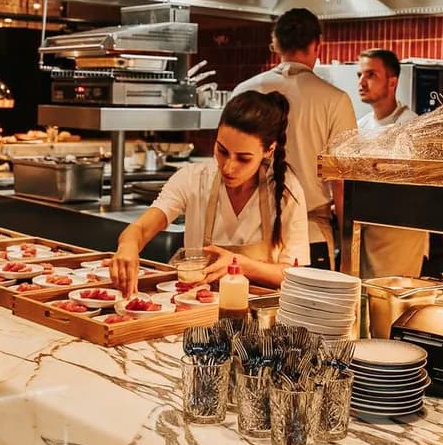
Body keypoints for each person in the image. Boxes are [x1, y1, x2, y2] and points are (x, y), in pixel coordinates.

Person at [111, 90, 310, 297]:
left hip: (261, 311)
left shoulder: (286, 190)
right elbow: (142, 228)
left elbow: (295, 275)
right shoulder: (192, 178)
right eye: (222, 151)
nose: (229, 167)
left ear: (269, 150)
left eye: (243, 158)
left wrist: (240, 264)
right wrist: (128, 246)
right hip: (195, 305)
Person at [232, 8, 356, 269]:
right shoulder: (336, 100)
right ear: (317, 44)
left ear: (275, 43)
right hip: (310, 238)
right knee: (310, 310)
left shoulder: (243, 91)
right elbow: (342, 183)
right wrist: (348, 249)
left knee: (253, 309)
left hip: (249, 237)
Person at [356, 49, 429, 278]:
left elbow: (416, 189)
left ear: (392, 82)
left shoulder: (412, 126)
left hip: (400, 237)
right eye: (359, 75)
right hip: (368, 233)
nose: (361, 82)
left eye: (371, 75)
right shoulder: (361, 126)